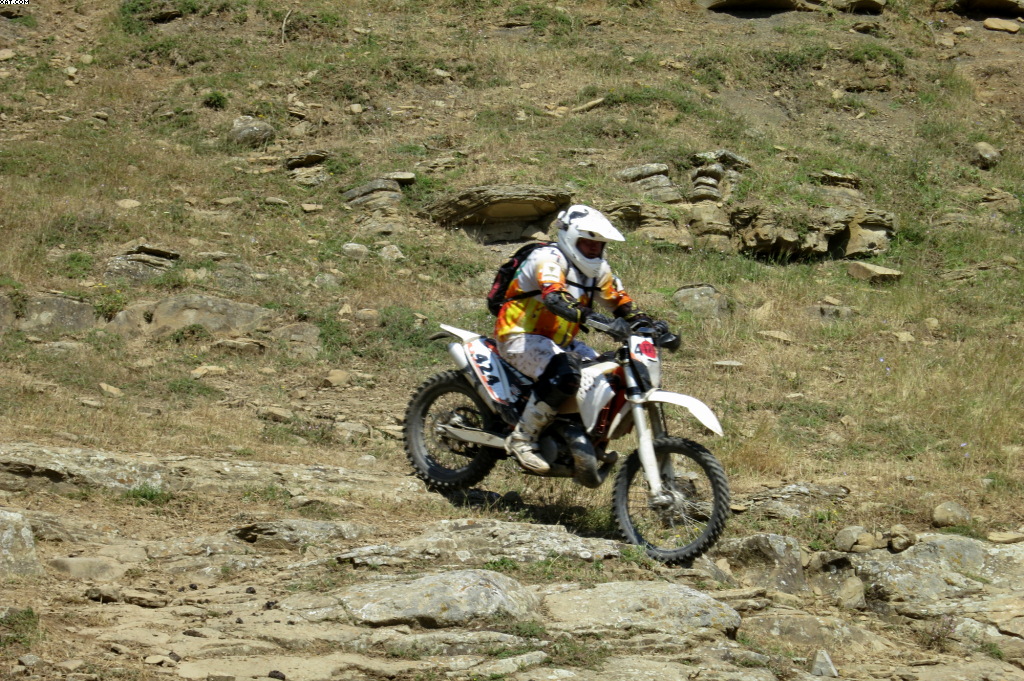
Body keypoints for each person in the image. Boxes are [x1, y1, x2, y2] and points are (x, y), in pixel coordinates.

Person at [494, 204, 657, 474]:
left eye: (599, 244)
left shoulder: (598, 270)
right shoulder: (548, 258)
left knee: (609, 373)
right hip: (519, 335)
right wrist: (601, 322)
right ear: (571, 238)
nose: (594, 249)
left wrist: (651, 325)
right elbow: (555, 299)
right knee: (565, 374)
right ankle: (523, 438)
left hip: (559, 341)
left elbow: (622, 303)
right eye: (587, 242)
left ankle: (584, 438)